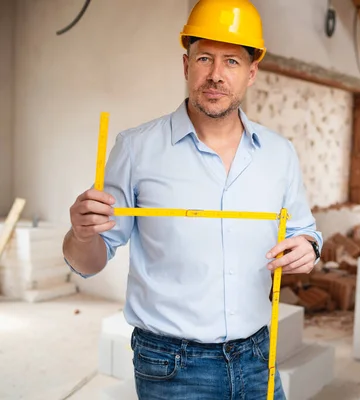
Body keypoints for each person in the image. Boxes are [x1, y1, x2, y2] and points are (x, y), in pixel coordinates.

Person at [62, 0, 322, 398]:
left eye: (232, 62)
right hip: (172, 365)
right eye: (205, 58)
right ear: (186, 66)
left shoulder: (279, 153)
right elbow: (89, 262)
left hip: (257, 355)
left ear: (251, 73)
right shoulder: (136, 149)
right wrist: (81, 235)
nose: (216, 75)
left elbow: (304, 231)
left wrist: (307, 247)